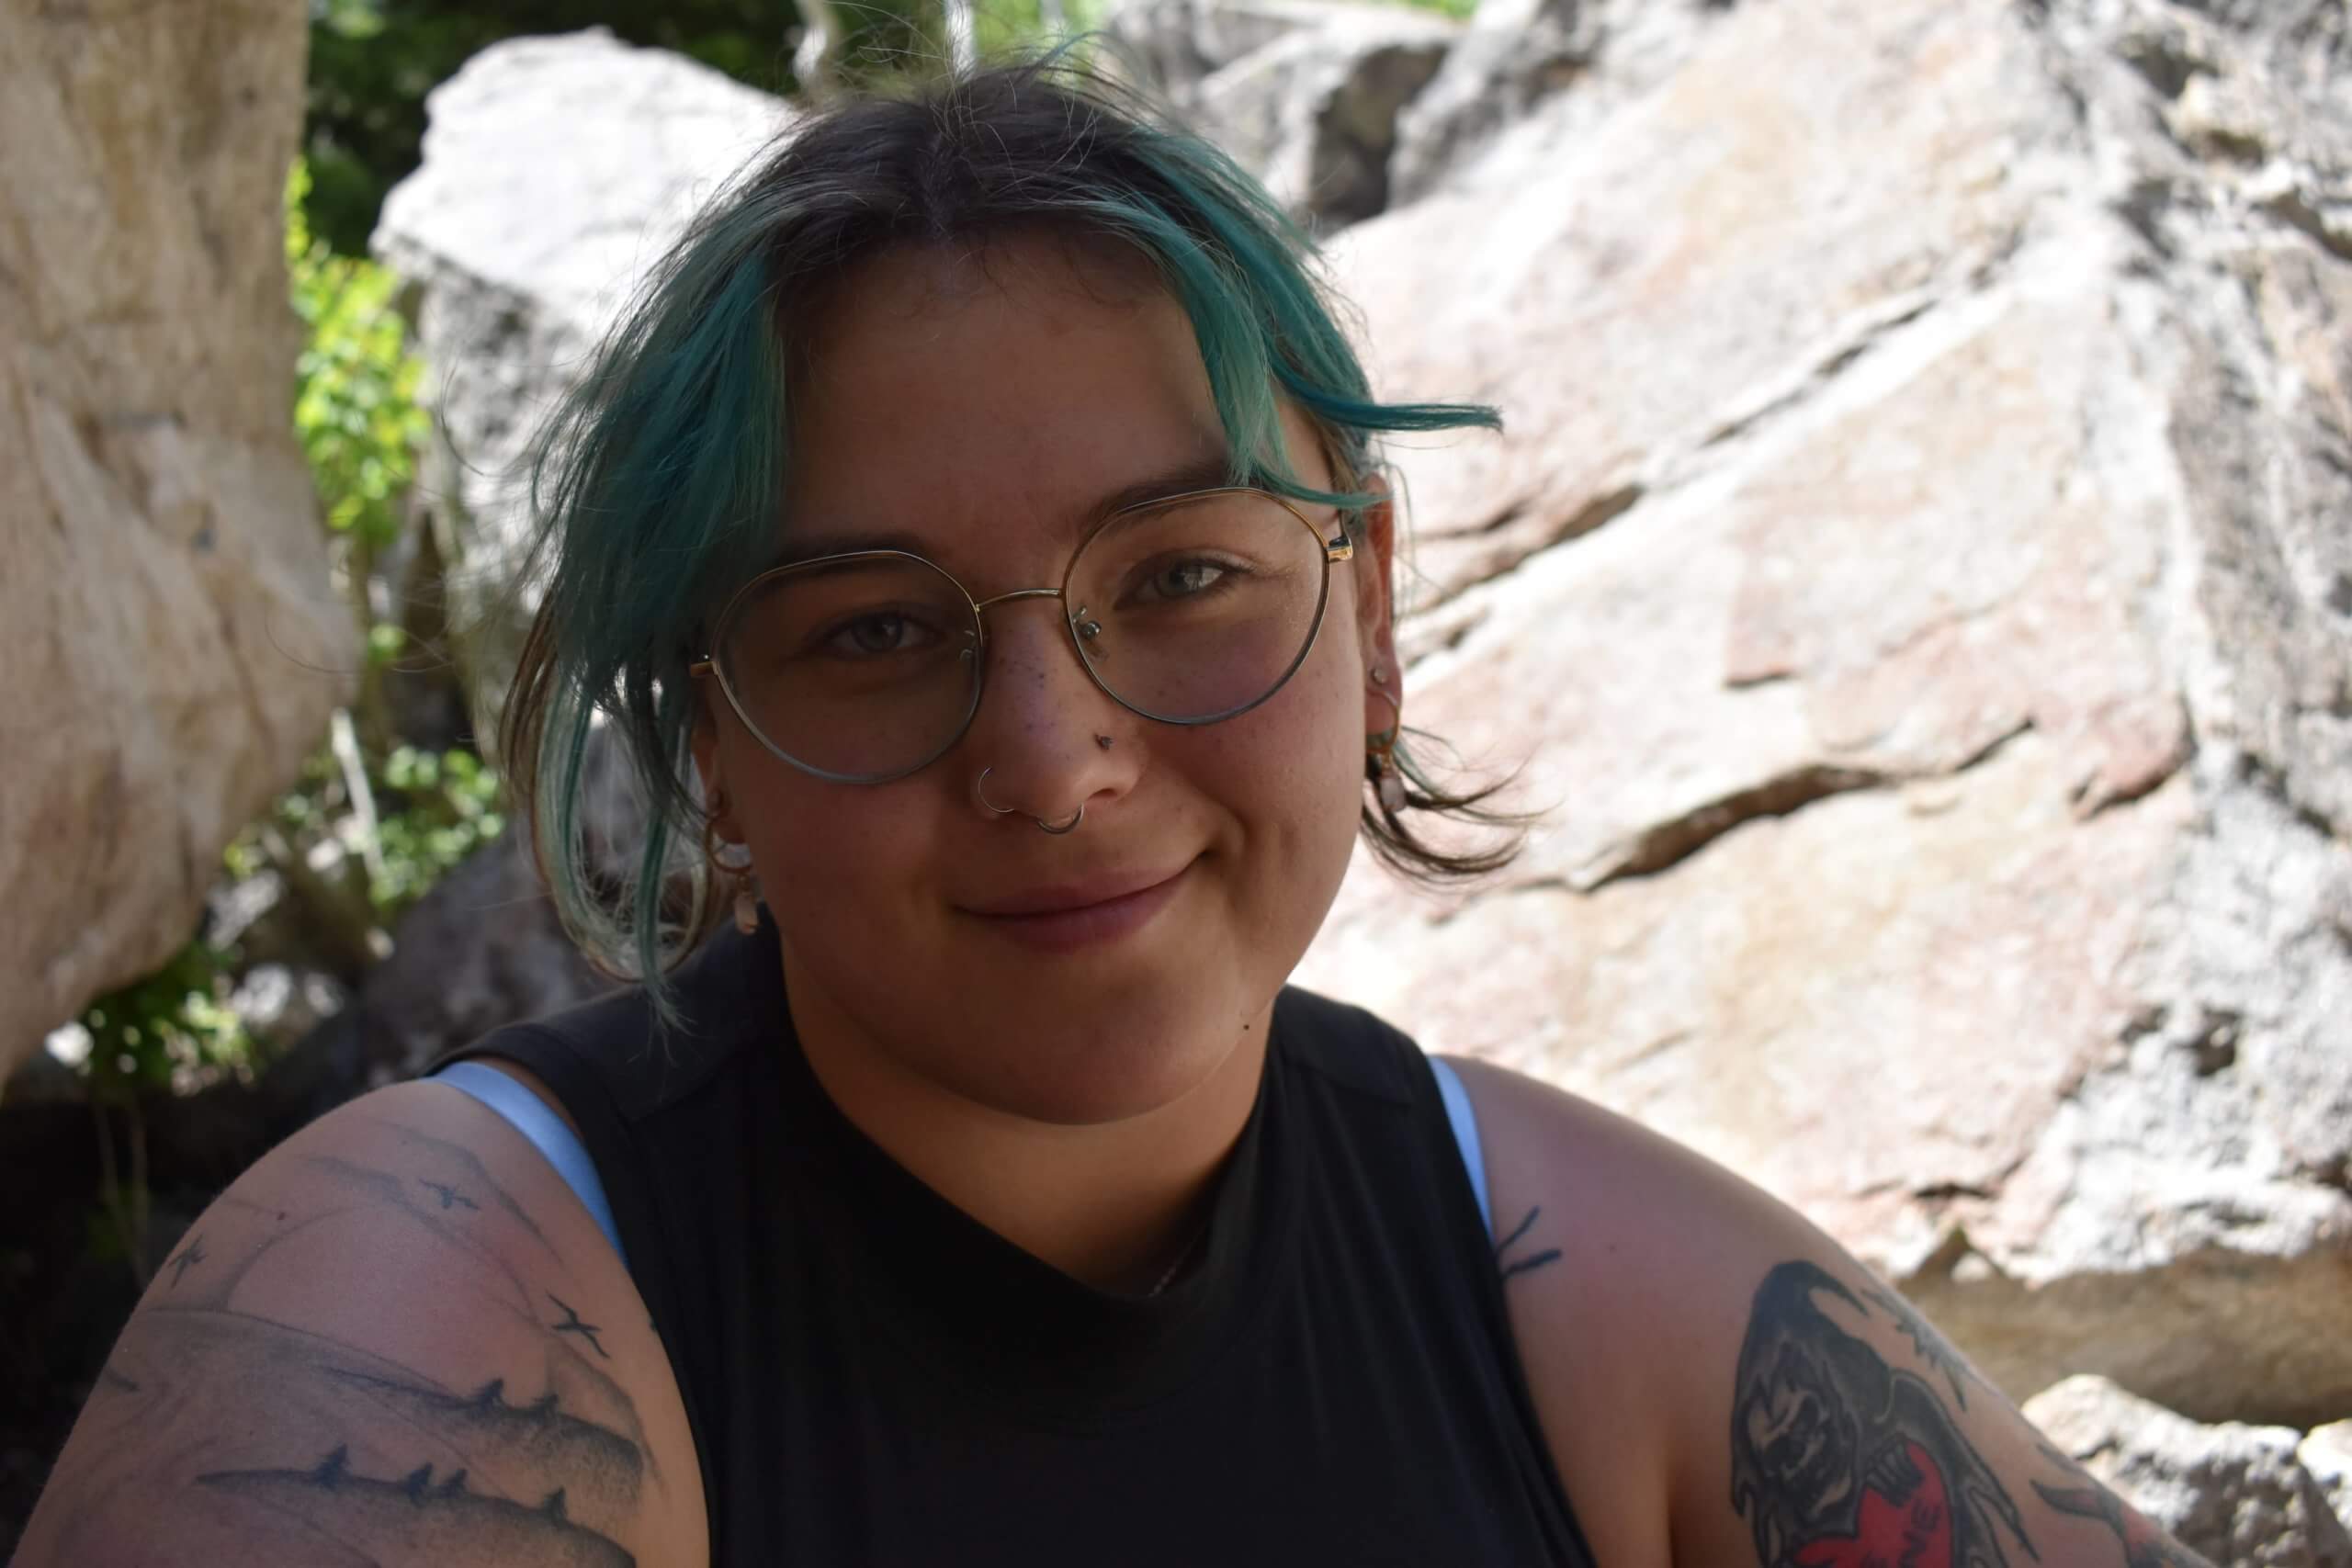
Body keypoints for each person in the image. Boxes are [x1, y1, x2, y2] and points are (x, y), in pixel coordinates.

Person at [17, 51, 2212, 1568]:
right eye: (873, 630)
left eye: (1176, 579)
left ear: (1364, 605)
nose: (1052, 757)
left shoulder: (1583, 1292)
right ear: (708, 738)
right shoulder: (435, 1314)